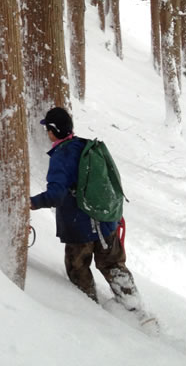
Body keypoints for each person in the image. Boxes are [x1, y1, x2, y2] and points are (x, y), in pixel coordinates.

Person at [30, 107, 145, 314]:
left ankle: (90, 312)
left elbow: (56, 194)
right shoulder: (86, 146)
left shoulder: (61, 156)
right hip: (106, 220)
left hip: (80, 228)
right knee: (113, 264)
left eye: (48, 129)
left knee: (77, 268)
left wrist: (31, 203)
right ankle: (135, 308)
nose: (47, 133)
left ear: (53, 131)